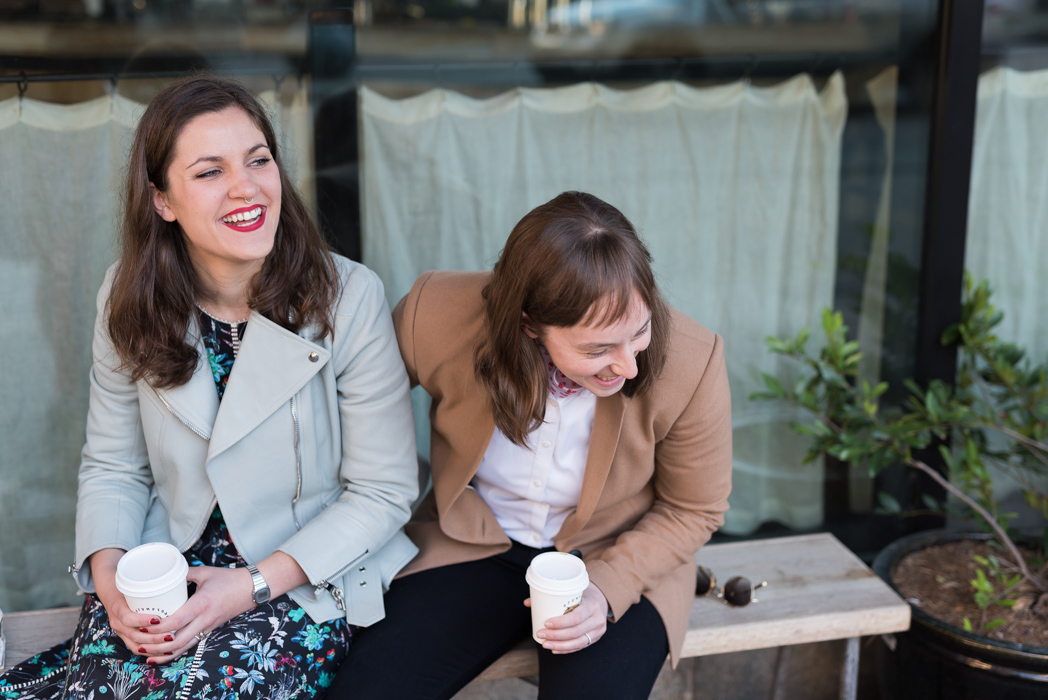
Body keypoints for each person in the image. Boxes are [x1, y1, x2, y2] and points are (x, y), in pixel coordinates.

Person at [0, 75, 419, 699]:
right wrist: (110, 580)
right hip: (164, 568)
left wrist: (248, 586)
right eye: (209, 171)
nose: (247, 186)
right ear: (162, 200)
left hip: (297, 577)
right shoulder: (128, 297)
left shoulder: (348, 298)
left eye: (258, 160)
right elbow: (114, 465)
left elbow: (383, 493)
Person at [329, 191, 733, 699]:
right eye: (597, 348)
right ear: (528, 324)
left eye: (641, 331)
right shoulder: (434, 314)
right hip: (471, 543)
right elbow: (347, 413)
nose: (629, 365)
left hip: (616, 553)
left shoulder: (693, 361)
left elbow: (695, 507)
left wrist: (607, 588)